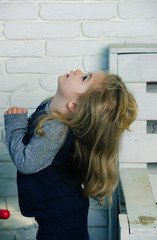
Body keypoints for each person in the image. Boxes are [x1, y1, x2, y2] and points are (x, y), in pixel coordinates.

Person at [4, 69, 137, 240]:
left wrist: (15, 126)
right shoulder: (51, 107)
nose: (77, 71)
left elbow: (26, 162)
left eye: (84, 78)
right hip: (60, 209)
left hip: (61, 214)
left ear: (73, 105)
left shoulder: (55, 128)